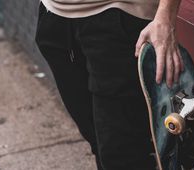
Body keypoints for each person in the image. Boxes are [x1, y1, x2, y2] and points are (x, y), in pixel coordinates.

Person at [35, 0, 184, 169]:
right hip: (55, 16)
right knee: (98, 143)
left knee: (121, 155)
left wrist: (166, 17)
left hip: (117, 17)